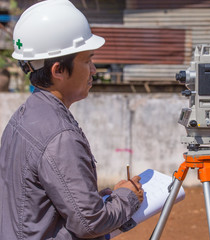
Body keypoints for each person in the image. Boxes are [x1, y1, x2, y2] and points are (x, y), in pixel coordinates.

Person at [0, 0, 143, 239]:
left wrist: (99, 200)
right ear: (58, 70)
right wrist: (128, 198)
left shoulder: (23, 118)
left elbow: (39, 204)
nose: (94, 69)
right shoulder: (59, 136)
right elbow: (90, 223)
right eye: (87, 60)